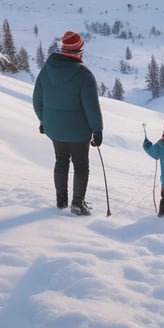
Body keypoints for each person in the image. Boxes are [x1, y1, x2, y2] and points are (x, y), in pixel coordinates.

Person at [33, 30, 103, 216]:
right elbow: (92, 108)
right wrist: (97, 130)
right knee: (80, 166)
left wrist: (44, 120)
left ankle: (61, 200)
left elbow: (37, 99)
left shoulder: (47, 69)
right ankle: (78, 204)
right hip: (79, 132)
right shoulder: (84, 75)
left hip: (55, 129)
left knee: (61, 161)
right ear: (79, 51)